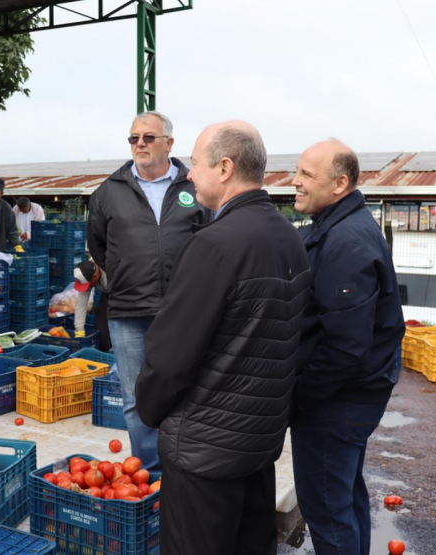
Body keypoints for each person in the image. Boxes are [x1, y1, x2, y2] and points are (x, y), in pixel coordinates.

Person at [135, 121, 311, 555]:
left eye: (195, 163)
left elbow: (170, 356)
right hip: (257, 443)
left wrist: (151, 411)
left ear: (225, 167)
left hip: (205, 453)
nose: (189, 174)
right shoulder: (289, 238)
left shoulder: (213, 245)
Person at [289, 139, 405, 555]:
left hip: (336, 402)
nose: (295, 182)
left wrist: (299, 398)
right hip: (348, 398)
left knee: (326, 509)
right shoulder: (336, 227)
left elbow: (344, 347)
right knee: (342, 495)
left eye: (306, 175)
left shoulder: (346, 243)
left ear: (339, 183)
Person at [88, 111, 209, 471]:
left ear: (169, 143)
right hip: (128, 310)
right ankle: (151, 471)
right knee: (134, 397)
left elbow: (211, 241)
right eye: (134, 138)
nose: (140, 143)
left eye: (148, 137)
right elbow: (98, 247)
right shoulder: (108, 192)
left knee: (188, 391)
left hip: (183, 311)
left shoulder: (193, 187)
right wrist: (125, 274)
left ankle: (187, 468)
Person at [72, 259, 111, 351]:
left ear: (95, 275)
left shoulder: (109, 274)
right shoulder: (87, 272)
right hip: (106, 292)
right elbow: (81, 304)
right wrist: (79, 330)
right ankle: (103, 350)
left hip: (123, 292)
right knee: (100, 319)